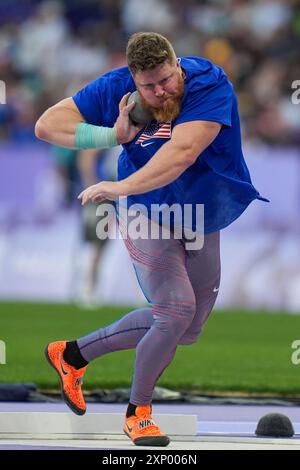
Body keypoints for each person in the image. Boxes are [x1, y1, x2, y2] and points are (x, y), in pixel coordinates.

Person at [35, 32, 268, 447]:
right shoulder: (116, 87)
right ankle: (138, 413)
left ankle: (70, 355)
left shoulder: (209, 82)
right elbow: (46, 125)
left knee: (187, 328)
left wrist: (117, 186)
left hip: (200, 212)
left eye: (166, 80)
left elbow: (180, 155)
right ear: (133, 79)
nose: (161, 92)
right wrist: (112, 136)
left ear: (178, 65)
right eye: (149, 86)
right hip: (147, 211)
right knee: (175, 310)